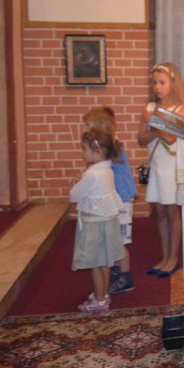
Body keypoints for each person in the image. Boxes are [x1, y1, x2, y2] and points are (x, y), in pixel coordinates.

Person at [138, 62, 184, 276]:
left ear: (173, 84)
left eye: (162, 82)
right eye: (155, 83)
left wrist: (153, 123)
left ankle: (173, 257)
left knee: (171, 211)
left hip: (172, 165)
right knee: (159, 211)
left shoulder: (181, 110)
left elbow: (171, 139)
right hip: (156, 164)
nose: (157, 87)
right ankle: (164, 256)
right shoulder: (149, 108)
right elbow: (141, 139)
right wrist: (154, 126)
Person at [82, 107, 138, 294]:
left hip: (121, 200)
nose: (87, 131)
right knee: (113, 239)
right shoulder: (110, 147)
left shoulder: (114, 148)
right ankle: (117, 270)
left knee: (119, 242)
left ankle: (125, 277)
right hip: (114, 200)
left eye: (89, 127)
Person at [70, 127, 124, 313]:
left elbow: (74, 196)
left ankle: (100, 301)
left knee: (95, 263)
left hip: (94, 225)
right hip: (107, 222)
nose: (82, 153)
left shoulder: (92, 174)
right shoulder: (107, 169)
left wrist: (76, 181)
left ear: (98, 151)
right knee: (105, 262)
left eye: (84, 149)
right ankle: (103, 294)